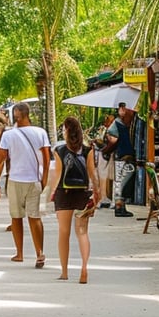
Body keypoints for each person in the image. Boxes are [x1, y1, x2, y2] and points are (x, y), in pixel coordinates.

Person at [0, 102, 51, 268]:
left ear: (16, 115)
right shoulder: (41, 132)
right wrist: (44, 178)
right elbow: (47, 159)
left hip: (15, 180)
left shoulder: (8, 135)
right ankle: (39, 252)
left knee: (16, 216)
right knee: (35, 217)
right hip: (34, 180)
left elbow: (0, 160)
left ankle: (20, 253)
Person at [51, 116, 100, 283]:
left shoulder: (59, 150)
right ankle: (84, 268)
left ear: (66, 131)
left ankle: (64, 272)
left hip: (64, 192)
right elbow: (92, 173)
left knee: (63, 233)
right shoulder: (88, 150)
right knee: (82, 232)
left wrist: (51, 193)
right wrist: (97, 192)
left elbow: (58, 175)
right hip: (83, 193)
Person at [101, 102, 136, 217]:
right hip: (122, 157)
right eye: (129, 110)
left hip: (124, 157)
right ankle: (119, 207)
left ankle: (121, 206)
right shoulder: (117, 124)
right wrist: (105, 151)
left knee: (123, 183)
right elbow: (112, 141)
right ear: (122, 110)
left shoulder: (123, 124)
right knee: (121, 183)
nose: (132, 113)